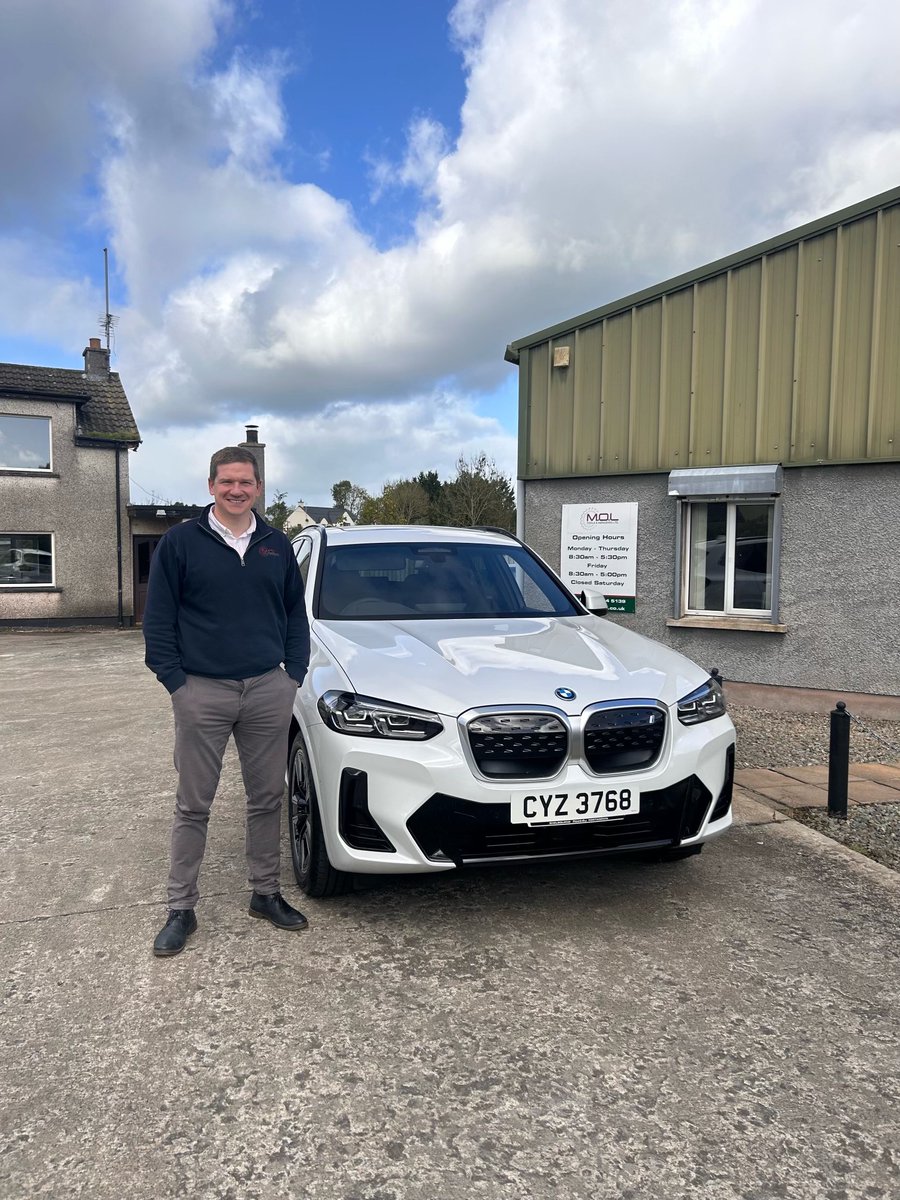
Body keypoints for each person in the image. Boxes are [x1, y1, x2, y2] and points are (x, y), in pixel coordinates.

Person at [143, 447, 311, 957]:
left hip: (267, 689)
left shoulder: (276, 544)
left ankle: (266, 893)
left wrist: (292, 675)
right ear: (211, 485)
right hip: (202, 691)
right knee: (194, 804)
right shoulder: (179, 543)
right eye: (227, 481)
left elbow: (294, 615)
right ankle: (181, 907)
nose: (236, 490)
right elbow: (159, 619)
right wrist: (177, 683)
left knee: (267, 798)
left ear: (257, 487)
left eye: (246, 482)